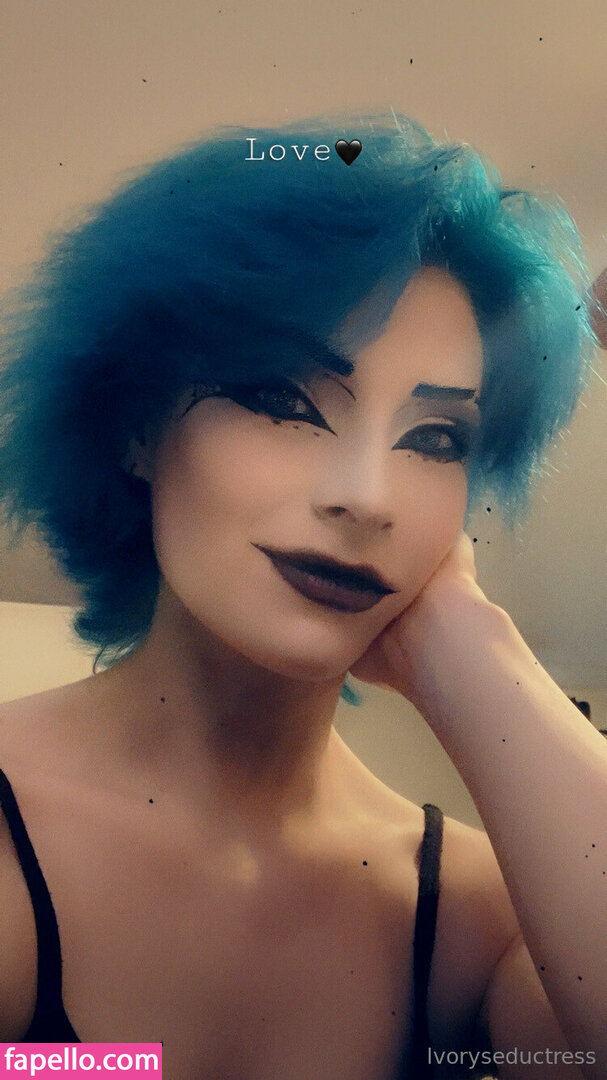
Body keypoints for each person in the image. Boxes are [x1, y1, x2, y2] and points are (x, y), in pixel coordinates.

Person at [0, 111, 605, 1079]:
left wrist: (474, 649)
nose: (367, 497)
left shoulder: (473, 915)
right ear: (137, 429)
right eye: (281, 400)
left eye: (435, 439)